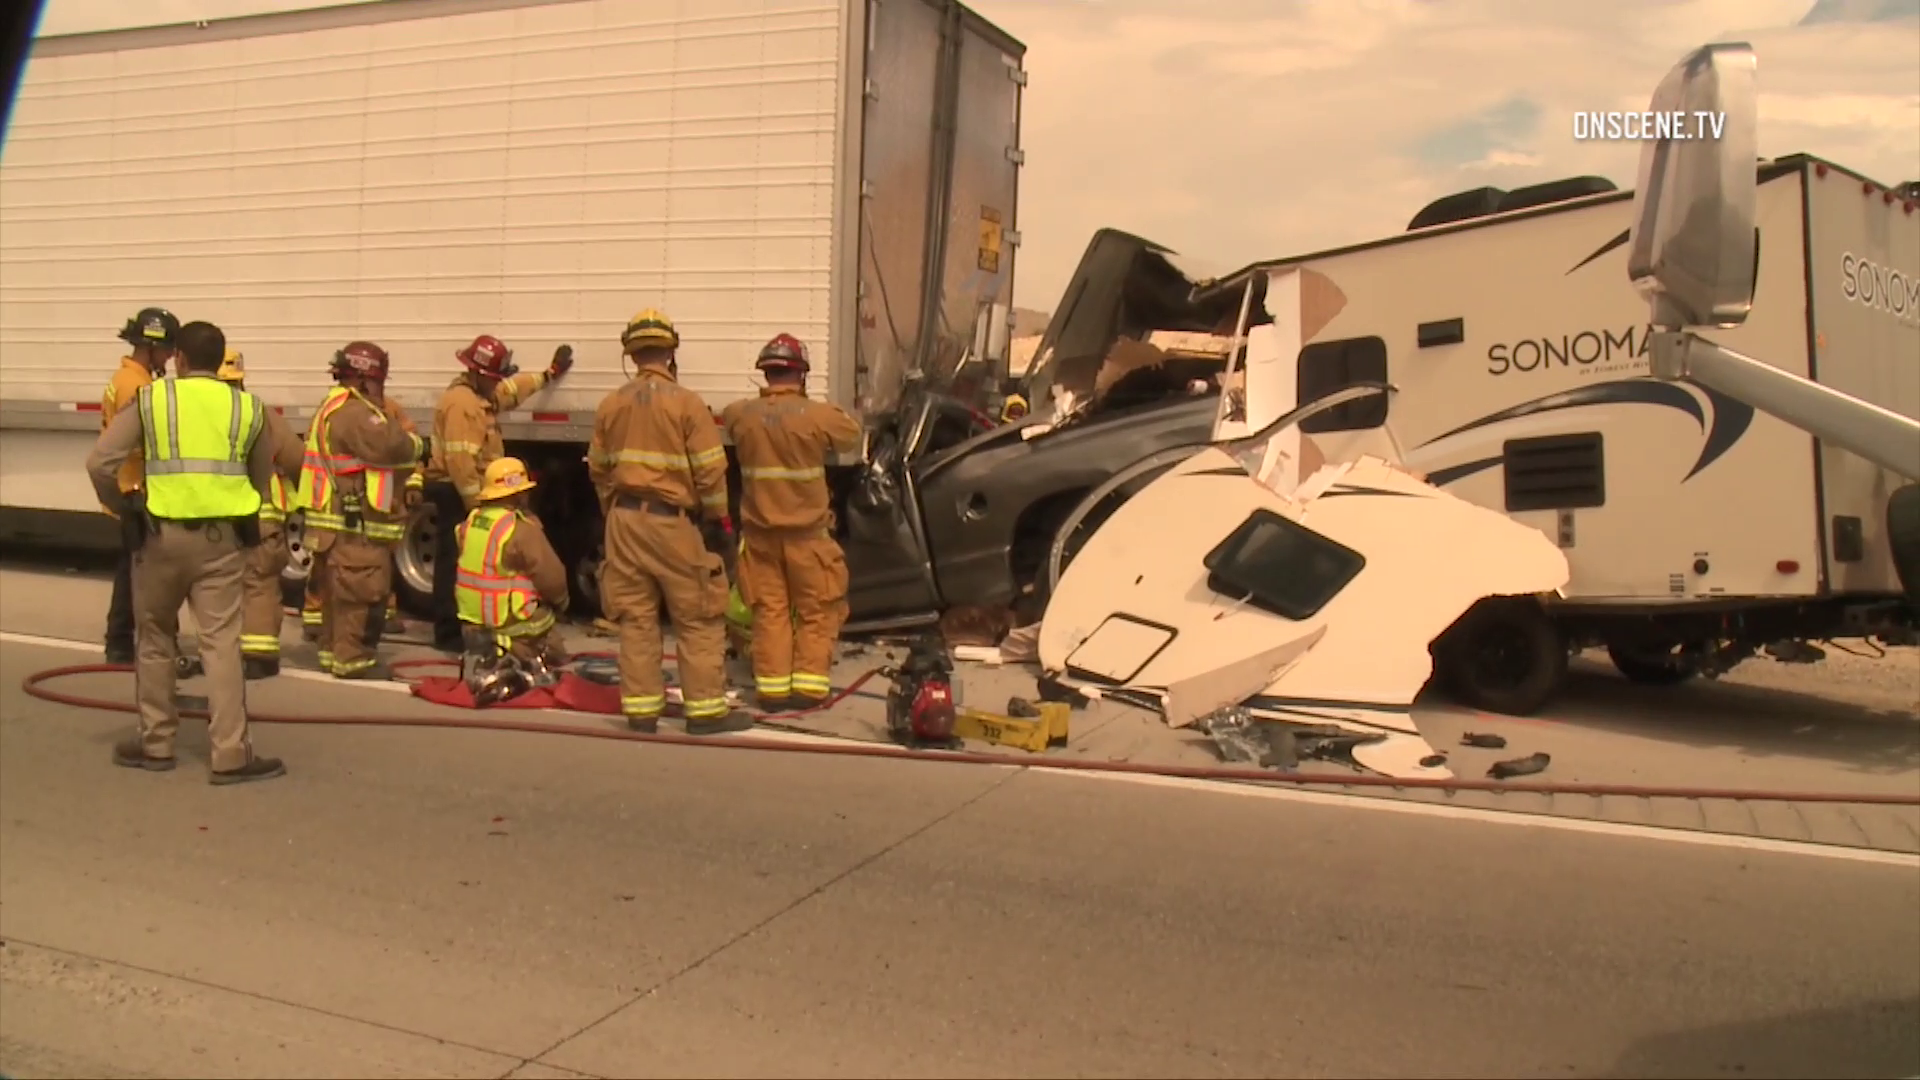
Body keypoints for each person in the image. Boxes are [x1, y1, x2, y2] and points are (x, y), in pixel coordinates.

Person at [85, 320, 286, 784]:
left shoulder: (153, 399)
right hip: (220, 544)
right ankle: (231, 754)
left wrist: (124, 506)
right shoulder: (248, 409)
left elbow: (100, 462)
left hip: (158, 539)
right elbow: (260, 481)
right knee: (221, 644)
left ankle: (156, 744)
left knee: (155, 637)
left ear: (179, 357)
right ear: (219, 361)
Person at [586, 309, 749, 735]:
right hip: (670, 522)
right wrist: (719, 520)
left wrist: (613, 512)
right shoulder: (687, 404)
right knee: (697, 613)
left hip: (623, 520)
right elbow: (711, 471)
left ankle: (641, 712)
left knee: (636, 617)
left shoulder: (611, 403)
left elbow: (599, 468)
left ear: (631, 354)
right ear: (671, 351)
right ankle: (706, 711)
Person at [720, 334, 863, 709]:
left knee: (769, 611)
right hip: (807, 539)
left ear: (765, 373)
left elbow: (726, 420)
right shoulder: (816, 416)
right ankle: (810, 689)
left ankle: (771, 689)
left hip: (761, 538)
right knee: (819, 609)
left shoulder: (740, 415)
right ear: (801, 374)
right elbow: (850, 435)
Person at [425, 334, 575, 652]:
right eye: (493, 378)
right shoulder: (462, 405)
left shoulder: (482, 395)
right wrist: (475, 506)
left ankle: (471, 626)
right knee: (455, 562)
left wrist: (549, 374)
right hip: (458, 490)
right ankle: (449, 633)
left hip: (476, 490)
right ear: (478, 373)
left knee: (471, 560)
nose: (498, 385)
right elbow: (460, 462)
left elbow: (512, 391)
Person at [295, 341, 430, 679]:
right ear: (365, 379)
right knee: (359, 592)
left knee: (336, 592)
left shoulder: (334, 405)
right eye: (378, 381)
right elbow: (392, 446)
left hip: (334, 522)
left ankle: (332, 652)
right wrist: (417, 444)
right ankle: (351, 660)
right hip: (353, 525)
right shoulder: (355, 412)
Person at [301, 390, 419, 641]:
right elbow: (400, 448)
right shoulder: (355, 414)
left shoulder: (376, 408)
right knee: (351, 578)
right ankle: (342, 647)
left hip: (361, 510)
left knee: (358, 573)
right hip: (356, 512)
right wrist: (418, 448)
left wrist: (414, 483)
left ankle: (334, 636)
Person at [215, 349, 305, 678]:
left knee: (216, 585)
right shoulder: (260, 413)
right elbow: (297, 459)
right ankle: (260, 654)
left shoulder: (197, 416)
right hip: (260, 518)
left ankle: (219, 652)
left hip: (212, 520)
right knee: (260, 583)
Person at [99, 307, 180, 664]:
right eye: (167, 350)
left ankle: (122, 640)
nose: (171, 357)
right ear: (150, 347)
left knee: (132, 567)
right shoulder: (136, 385)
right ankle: (123, 642)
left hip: (131, 485)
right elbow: (141, 438)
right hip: (136, 489)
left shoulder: (128, 377)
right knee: (141, 571)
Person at [453, 457, 570, 669]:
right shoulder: (521, 529)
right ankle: (518, 649)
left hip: (472, 623)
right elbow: (552, 578)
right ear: (518, 494)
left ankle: (492, 646)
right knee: (556, 650)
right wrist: (561, 601)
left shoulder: (469, 523)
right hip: (509, 622)